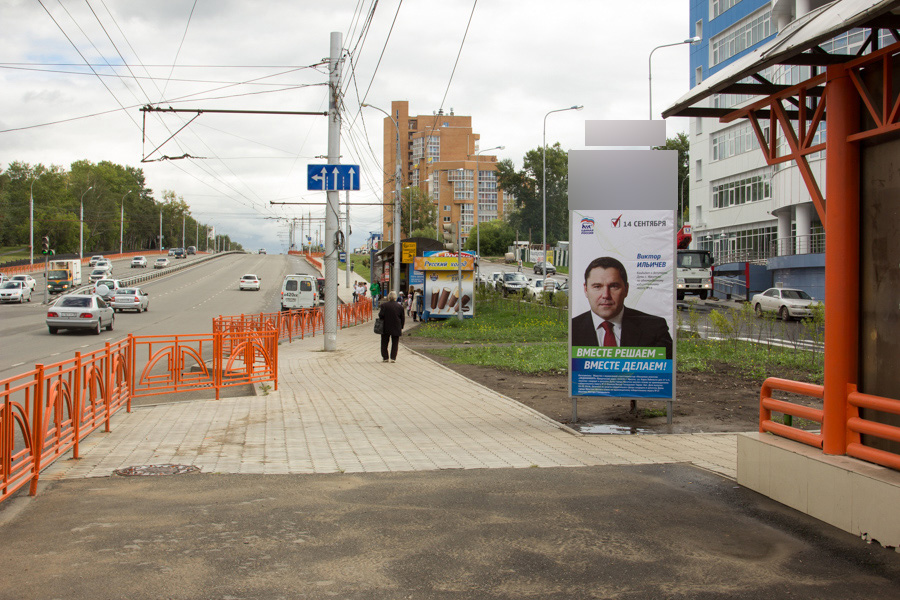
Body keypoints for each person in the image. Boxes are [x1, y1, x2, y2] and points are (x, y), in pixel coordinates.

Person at [571, 256, 672, 359]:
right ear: (586, 289)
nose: (606, 295)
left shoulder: (654, 329)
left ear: (626, 289)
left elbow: (664, 372)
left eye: (614, 286)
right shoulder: (571, 330)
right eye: (597, 287)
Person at [378, 290, 405, 363]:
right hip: (396, 326)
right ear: (395, 297)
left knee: (384, 342)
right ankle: (393, 358)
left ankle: (385, 357)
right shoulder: (400, 307)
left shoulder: (384, 305)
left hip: (385, 326)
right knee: (395, 343)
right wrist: (401, 327)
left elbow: (381, 315)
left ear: (389, 297)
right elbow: (402, 318)